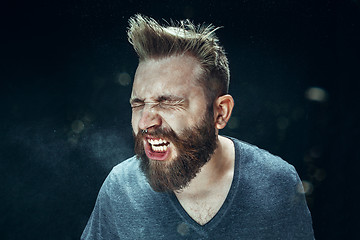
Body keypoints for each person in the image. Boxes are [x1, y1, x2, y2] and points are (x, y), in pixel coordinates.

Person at [81, 14, 314, 239]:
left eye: (169, 102)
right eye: (139, 104)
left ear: (221, 112)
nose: (145, 122)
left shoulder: (277, 184)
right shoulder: (121, 188)